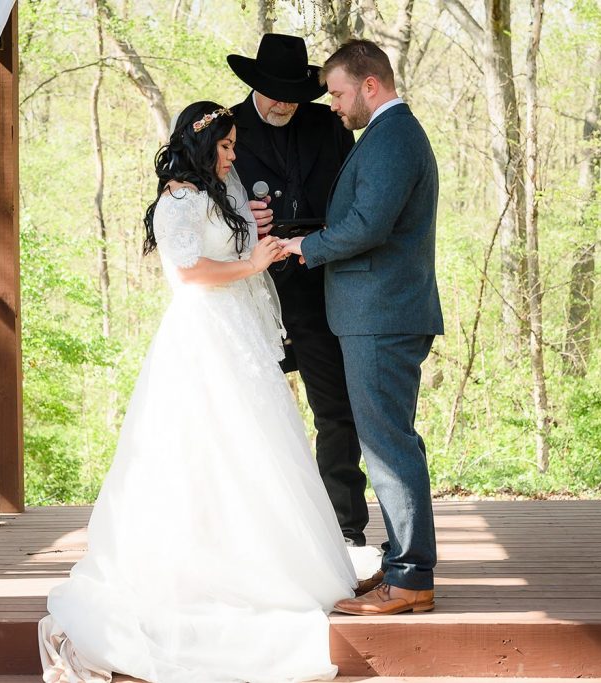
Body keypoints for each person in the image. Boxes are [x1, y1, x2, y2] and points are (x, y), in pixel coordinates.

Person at [39, 101, 357, 683]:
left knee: (258, 444)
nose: (235, 156)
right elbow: (189, 272)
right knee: (206, 446)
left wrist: (253, 230)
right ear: (201, 144)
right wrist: (251, 262)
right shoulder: (177, 200)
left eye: (235, 146)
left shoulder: (218, 188)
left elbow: (233, 245)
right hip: (204, 332)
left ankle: (266, 559)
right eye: (228, 146)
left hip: (237, 329)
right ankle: (205, 566)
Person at [281, 39, 444, 616]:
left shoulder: (394, 135)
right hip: (378, 312)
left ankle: (410, 579)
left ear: (370, 85)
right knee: (388, 441)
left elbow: (369, 225)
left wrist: (307, 245)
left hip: (383, 314)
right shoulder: (384, 135)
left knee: (388, 445)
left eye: (339, 91)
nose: (334, 104)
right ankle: (403, 565)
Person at [227, 34, 372, 554]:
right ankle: (252, 525)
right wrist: (244, 221)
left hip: (317, 286)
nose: (285, 102)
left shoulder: (328, 125)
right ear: (254, 85)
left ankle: (345, 526)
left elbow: (354, 197)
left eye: (294, 92)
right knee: (246, 411)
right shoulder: (223, 129)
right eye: (273, 91)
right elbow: (185, 202)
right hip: (248, 290)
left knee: (336, 408)